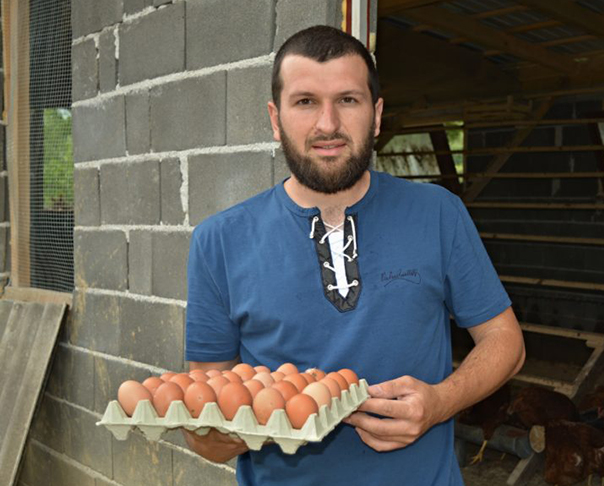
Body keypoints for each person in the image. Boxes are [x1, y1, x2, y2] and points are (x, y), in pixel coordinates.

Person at [183, 25, 525, 486]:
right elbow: (204, 431)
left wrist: (440, 402)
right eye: (305, 102)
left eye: (348, 99)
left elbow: (505, 341)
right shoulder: (219, 241)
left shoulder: (438, 213)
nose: (328, 124)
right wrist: (258, 420)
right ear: (275, 118)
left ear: (376, 114)